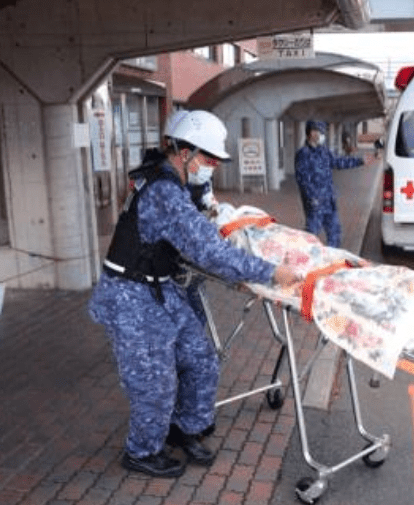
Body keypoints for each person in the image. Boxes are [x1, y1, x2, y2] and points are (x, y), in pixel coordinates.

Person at [89, 110, 300, 478]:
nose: (212, 167)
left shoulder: (168, 179)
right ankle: (141, 451)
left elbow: (189, 233)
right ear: (184, 152)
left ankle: (182, 428)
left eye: (216, 160)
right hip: (130, 295)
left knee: (200, 358)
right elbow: (210, 252)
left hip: (158, 288)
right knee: (155, 380)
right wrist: (270, 272)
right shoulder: (164, 191)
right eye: (208, 158)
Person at [294, 120, 376, 248]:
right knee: (311, 237)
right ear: (311, 133)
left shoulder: (324, 151)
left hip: (330, 201)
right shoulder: (303, 154)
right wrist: (312, 198)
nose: (322, 134)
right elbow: (302, 180)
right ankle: (305, 261)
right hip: (315, 204)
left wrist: (361, 161)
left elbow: (338, 162)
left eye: (322, 131)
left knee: (335, 234)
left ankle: (333, 261)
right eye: (319, 131)